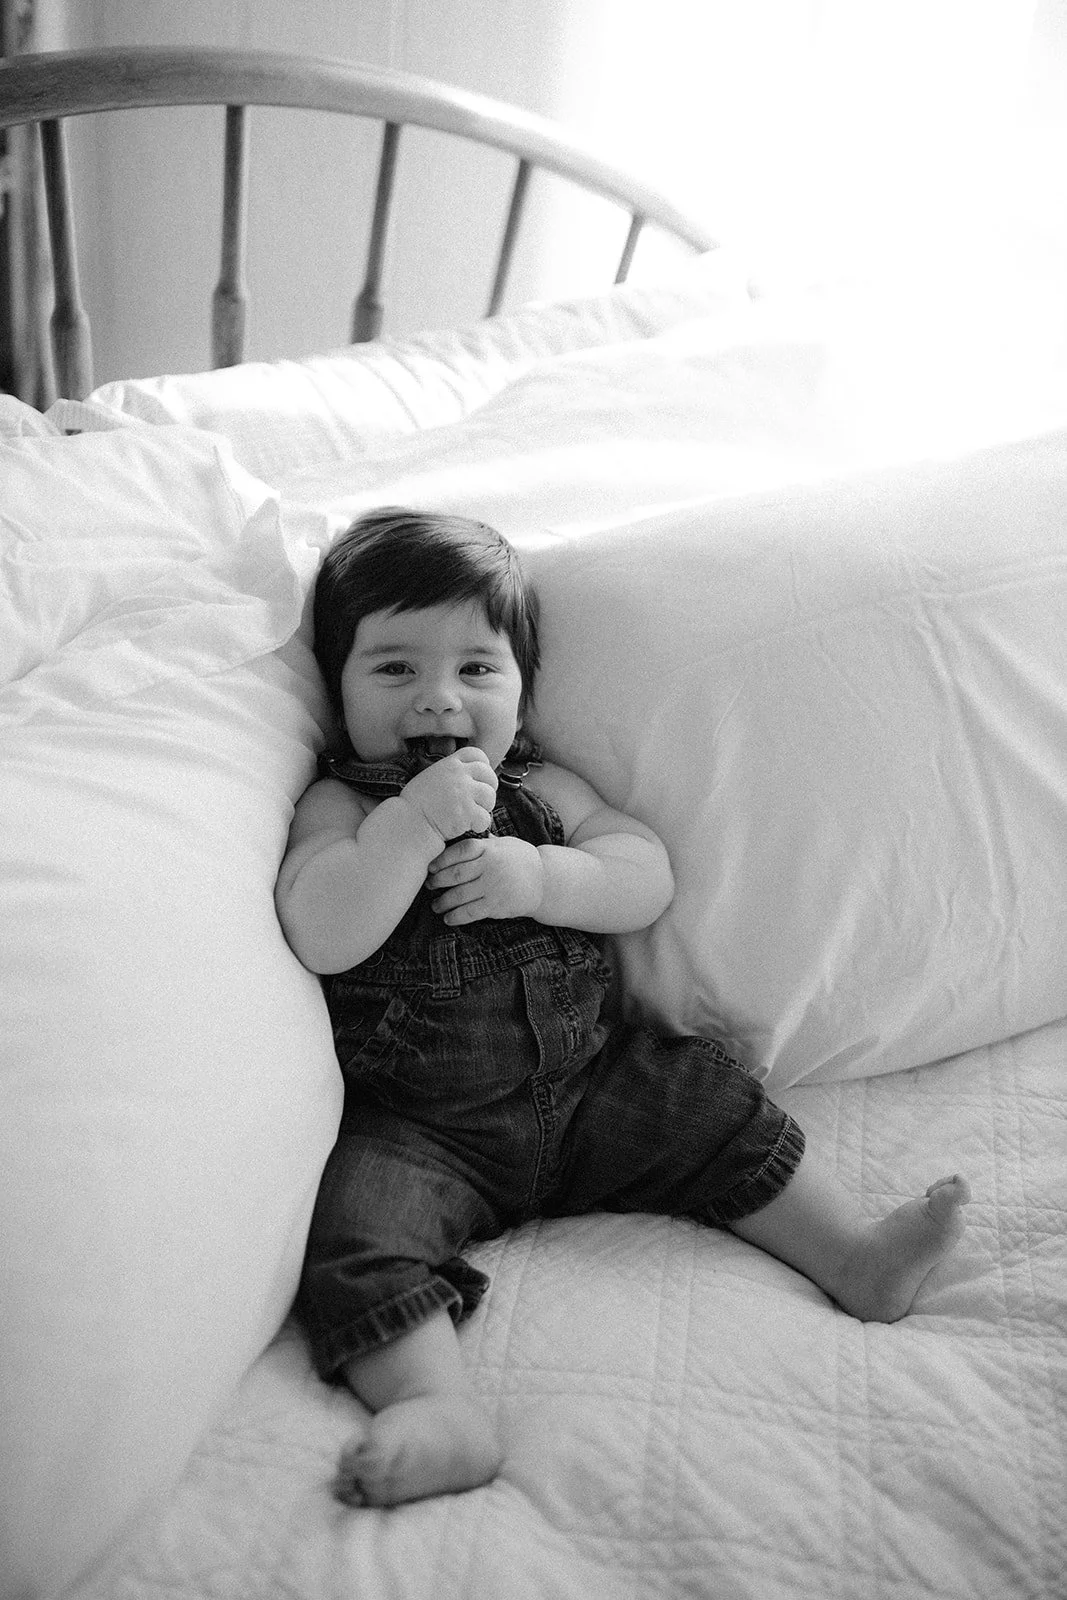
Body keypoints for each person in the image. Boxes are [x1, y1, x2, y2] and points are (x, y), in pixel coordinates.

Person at [276, 506, 970, 1510]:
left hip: (589, 1084)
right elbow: (322, 929)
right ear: (335, 685)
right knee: (351, 1233)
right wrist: (407, 830)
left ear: (522, 686)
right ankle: (437, 1406)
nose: (438, 696)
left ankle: (852, 1257)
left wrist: (543, 878)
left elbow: (641, 876)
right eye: (393, 668)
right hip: (422, 1129)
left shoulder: (546, 787)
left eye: (476, 668)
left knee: (707, 1104)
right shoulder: (341, 804)